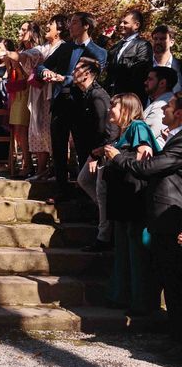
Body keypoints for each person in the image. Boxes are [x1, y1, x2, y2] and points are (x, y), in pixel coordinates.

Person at [105, 91, 182, 342]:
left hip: (152, 207)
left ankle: (166, 329)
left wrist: (118, 158)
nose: (162, 111)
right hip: (136, 205)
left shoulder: (141, 129)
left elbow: (147, 165)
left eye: (168, 107)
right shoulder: (170, 136)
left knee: (158, 267)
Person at [36, 12, 107, 200]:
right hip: (60, 103)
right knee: (58, 149)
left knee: (83, 148)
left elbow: (94, 76)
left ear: (86, 26)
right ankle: (62, 189)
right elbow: (42, 66)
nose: (70, 26)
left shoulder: (99, 52)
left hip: (82, 105)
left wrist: (63, 78)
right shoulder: (64, 47)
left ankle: (85, 193)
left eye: (74, 22)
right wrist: (45, 74)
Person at [103, 93, 160, 316]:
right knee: (124, 249)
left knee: (136, 250)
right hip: (121, 200)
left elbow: (143, 163)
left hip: (134, 199)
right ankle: (121, 296)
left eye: (114, 106)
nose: (110, 110)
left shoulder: (138, 128)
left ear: (126, 108)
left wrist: (116, 156)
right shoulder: (123, 131)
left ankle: (140, 302)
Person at [72, 58, 113, 253]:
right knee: (89, 184)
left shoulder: (98, 96)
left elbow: (107, 128)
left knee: (93, 186)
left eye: (78, 69)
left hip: (103, 152)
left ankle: (105, 234)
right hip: (93, 151)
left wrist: (96, 154)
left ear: (87, 73)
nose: (74, 71)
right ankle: (106, 220)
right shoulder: (85, 94)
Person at [1, 21, 44, 178]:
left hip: (27, 92)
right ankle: (27, 162)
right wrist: (8, 62)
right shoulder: (21, 50)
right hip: (17, 92)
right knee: (17, 131)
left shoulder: (36, 52)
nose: (20, 31)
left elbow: (28, 73)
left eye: (24, 29)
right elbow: (12, 71)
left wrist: (10, 57)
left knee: (23, 129)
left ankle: (29, 164)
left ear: (32, 33)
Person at [28, 15, 68, 179]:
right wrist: (10, 53)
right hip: (41, 95)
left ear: (59, 29)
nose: (46, 26)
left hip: (56, 93)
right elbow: (28, 54)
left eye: (50, 24)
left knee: (55, 133)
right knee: (40, 129)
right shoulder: (43, 48)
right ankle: (41, 170)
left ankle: (57, 170)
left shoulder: (65, 48)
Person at [105, 10, 153, 103]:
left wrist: (114, 67)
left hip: (128, 100)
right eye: (121, 22)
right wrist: (103, 39)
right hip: (111, 96)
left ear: (136, 25)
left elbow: (140, 71)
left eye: (125, 23)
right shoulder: (117, 46)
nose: (121, 25)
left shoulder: (143, 45)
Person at [143, 66, 177, 148]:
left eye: (150, 79)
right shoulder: (160, 102)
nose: (145, 82)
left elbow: (145, 136)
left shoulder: (162, 105)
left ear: (162, 83)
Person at [151, 24, 182, 93]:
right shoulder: (142, 67)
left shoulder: (180, 67)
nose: (158, 42)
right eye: (155, 39)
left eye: (162, 39)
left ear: (172, 42)